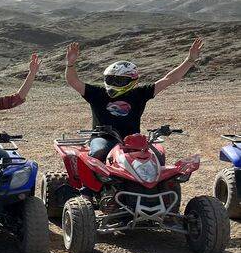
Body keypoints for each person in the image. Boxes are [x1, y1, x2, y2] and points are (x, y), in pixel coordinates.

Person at [64, 38, 203, 161]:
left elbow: (169, 79)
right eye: (111, 79)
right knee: (98, 152)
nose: (114, 83)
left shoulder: (140, 94)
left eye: (119, 80)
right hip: (103, 138)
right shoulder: (97, 93)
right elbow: (73, 81)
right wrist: (70, 64)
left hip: (132, 140)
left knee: (157, 156)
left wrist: (190, 60)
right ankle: (93, 183)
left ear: (132, 81)